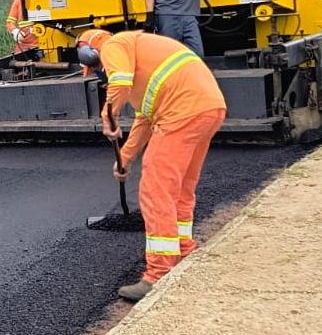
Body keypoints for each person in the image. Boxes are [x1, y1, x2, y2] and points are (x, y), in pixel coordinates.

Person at [76, 27, 227, 302]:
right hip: (207, 108)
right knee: (180, 189)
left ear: (92, 51)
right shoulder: (140, 58)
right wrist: (125, 158)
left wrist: (108, 118)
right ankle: (184, 251)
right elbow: (145, 119)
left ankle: (157, 275)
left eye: (97, 68)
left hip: (181, 111)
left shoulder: (113, 45)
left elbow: (118, 83)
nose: (101, 73)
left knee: (156, 191)